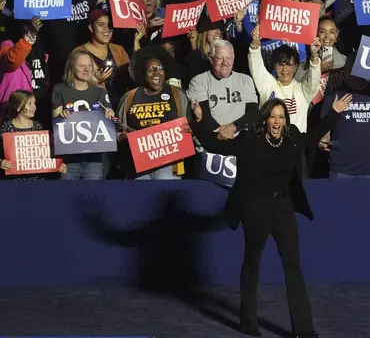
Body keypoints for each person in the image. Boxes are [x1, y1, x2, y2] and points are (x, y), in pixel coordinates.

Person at [189, 94, 353, 338]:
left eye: (281, 118)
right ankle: (248, 322)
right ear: (265, 120)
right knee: (252, 262)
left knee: (293, 264)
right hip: (255, 207)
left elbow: (313, 136)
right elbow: (215, 147)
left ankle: (304, 328)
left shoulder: (292, 138)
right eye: (273, 117)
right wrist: (199, 122)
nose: (277, 122)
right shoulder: (249, 140)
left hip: (283, 208)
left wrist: (334, 113)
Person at [116, 46, 191, 180]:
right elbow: (118, 129)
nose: (156, 72)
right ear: (142, 72)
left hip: (168, 164)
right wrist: (122, 136)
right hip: (137, 164)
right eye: (151, 69)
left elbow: (189, 127)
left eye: (160, 68)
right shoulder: (129, 97)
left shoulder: (178, 95)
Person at [51, 49, 114, 180]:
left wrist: (109, 115)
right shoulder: (59, 89)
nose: (87, 70)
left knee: (91, 196)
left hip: (94, 158)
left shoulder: (100, 92)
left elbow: (110, 122)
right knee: (68, 196)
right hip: (68, 159)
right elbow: (55, 122)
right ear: (72, 67)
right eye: (82, 66)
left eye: (89, 66)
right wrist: (61, 115)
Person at [0, 90, 67, 180]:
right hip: (15, 182)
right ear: (18, 106)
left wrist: (59, 164)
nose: (34, 107)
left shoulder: (39, 126)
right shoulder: (6, 128)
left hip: (39, 181)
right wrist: (1, 162)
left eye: (34, 103)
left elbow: (49, 153)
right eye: (29, 103)